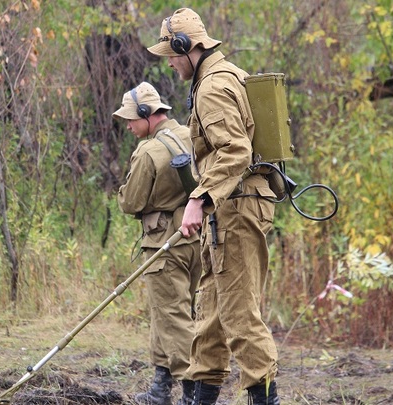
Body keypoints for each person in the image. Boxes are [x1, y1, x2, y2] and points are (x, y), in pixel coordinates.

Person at [147, 7, 282, 405]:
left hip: (235, 209)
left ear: (188, 48)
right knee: (211, 315)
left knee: (240, 317)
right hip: (231, 209)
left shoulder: (212, 87)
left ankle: (265, 398)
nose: (169, 63)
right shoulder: (226, 75)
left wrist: (197, 199)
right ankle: (200, 396)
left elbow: (235, 150)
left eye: (171, 54)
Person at [114, 82, 202, 405]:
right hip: (195, 238)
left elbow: (131, 201)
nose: (128, 125)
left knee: (172, 315)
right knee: (173, 312)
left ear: (146, 113)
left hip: (164, 244)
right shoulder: (190, 134)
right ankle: (160, 389)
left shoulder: (149, 151)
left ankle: (195, 394)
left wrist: (124, 194)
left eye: (130, 119)